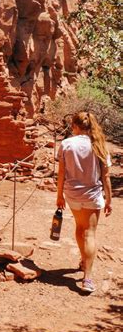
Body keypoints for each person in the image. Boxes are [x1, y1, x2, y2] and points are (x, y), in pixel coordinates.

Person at [56, 111, 112, 294]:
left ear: (75, 126)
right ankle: (87, 278)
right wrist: (109, 199)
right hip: (92, 194)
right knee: (89, 233)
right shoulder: (98, 144)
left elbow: (61, 173)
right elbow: (105, 176)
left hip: (72, 194)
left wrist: (59, 196)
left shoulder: (66, 144)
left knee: (80, 227)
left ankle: (83, 260)